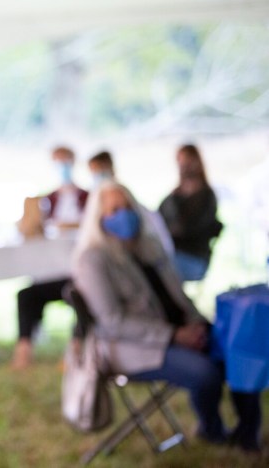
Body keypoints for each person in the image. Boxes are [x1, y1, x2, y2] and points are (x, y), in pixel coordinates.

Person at [72, 180, 261, 452]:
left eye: (127, 207)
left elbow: (178, 295)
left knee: (242, 350)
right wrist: (174, 335)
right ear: (99, 218)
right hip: (134, 346)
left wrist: (195, 322)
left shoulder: (148, 247)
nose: (123, 215)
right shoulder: (93, 260)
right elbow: (112, 322)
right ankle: (212, 431)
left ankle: (248, 434)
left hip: (181, 329)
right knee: (206, 372)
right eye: (114, 210)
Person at [11, 146, 88, 370]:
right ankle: (24, 350)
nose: (61, 167)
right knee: (26, 295)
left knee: (83, 294)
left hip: (78, 271)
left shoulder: (88, 197)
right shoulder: (48, 199)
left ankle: (75, 349)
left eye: (64, 161)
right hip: (51, 270)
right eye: (57, 162)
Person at [87, 150, 174, 258]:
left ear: (112, 168)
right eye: (95, 173)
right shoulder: (94, 217)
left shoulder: (139, 210)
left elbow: (163, 244)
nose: (123, 213)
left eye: (101, 171)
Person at [158, 144, 223, 282]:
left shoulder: (207, 196)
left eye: (187, 161)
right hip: (173, 253)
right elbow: (156, 221)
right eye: (180, 161)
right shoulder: (174, 196)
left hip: (194, 258)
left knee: (158, 270)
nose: (183, 165)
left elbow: (191, 230)